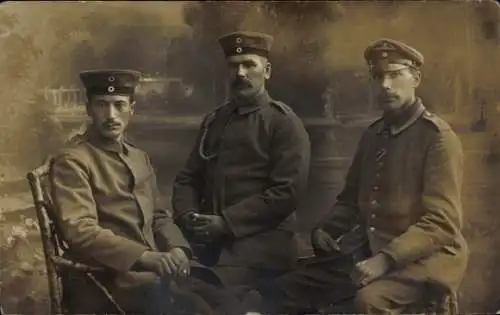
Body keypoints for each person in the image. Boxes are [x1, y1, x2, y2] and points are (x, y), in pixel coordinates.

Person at [311, 38, 468, 314]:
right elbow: (350, 199)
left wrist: (385, 259)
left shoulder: (437, 138)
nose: (385, 85)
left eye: (395, 74)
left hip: (424, 261)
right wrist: (327, 229)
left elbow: (442, 223)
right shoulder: (373, 135)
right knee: (294, 285)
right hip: (371, 251)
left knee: (367, 302)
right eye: (378, 76)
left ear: (415, 78)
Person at [49, 69, 224, 315]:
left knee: (225, 299)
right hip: (106, 282)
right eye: (102, 105)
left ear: (132, 108)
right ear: (88, 108)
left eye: (119, 105)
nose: (111, 115)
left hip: (151, 278)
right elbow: (81, 231)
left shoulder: (138, 157)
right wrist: (145, 257)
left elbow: (160, 216)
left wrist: (177, 248)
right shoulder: (73, 161)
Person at [171, 31, 311, 289]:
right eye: (234, 66)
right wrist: (187, 215)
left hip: (263, 249)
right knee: (163, 284)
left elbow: (286, 192)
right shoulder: (215, 120)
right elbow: (188, 178)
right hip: (211, 243)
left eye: (249, 65)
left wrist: (225, 222)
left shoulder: (283, 123)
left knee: (200, 294)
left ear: (266, 70)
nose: (240, 73)